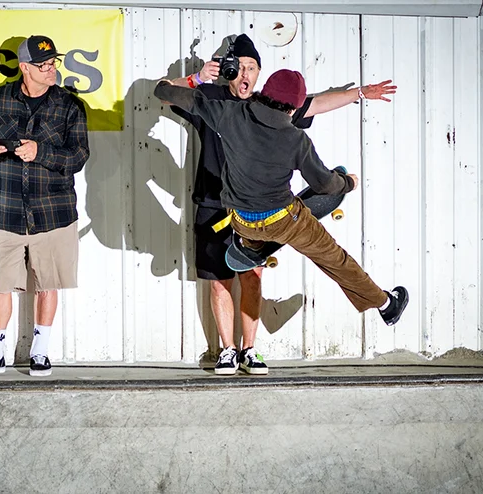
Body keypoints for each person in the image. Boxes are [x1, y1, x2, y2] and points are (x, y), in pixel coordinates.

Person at [166, 34, 397, 375]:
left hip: (246, 213)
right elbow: (166, 91)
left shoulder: (270, 105)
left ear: (260, 74)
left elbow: (316, 103)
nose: (245, 73)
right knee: (219, 281)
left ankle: (249, 350)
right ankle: (227, 351)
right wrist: (198, 78)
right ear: (229, 70)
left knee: (253, 276)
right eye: (240, 67)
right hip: (214, 204)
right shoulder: (212, 99)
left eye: (252, 67)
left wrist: (359, 94)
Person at [0, 35, 89, 377]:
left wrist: (40, 153)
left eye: (53, 63)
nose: (52, 71)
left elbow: (78, 156)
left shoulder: (69, 105)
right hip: (6, 211)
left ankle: (40, 353)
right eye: (43, 65)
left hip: (55, 212)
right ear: (25, 67)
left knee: (48, 283)